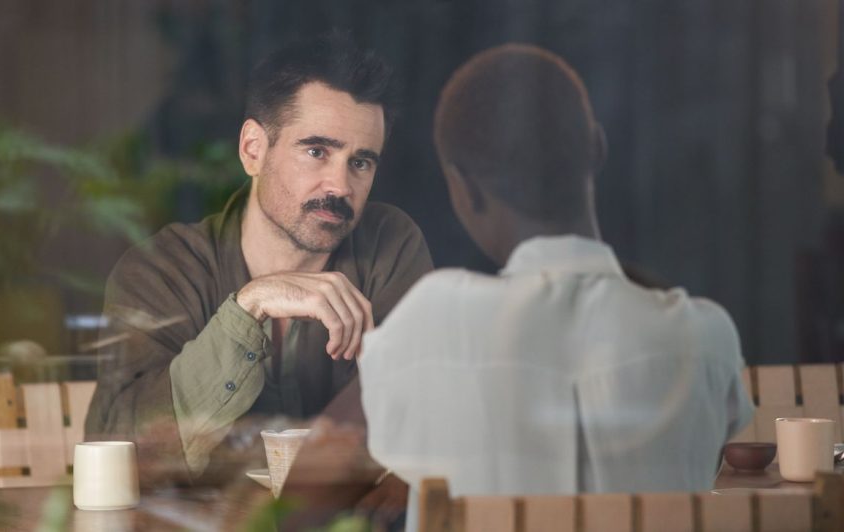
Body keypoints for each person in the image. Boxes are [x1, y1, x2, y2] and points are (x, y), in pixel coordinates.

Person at [359, 44, 754, 529]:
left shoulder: (427, 325)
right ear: (598, 149)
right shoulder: (705, 340)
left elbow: (377, 436)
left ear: (462, 187)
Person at [84, 32, 433, 485]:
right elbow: (121, 450)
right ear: (252, 149)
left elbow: (418, 423)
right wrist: (248, 307)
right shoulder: (161, 269)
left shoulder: (389, 246)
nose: (340, 186)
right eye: (316, 151)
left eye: (361, 162)